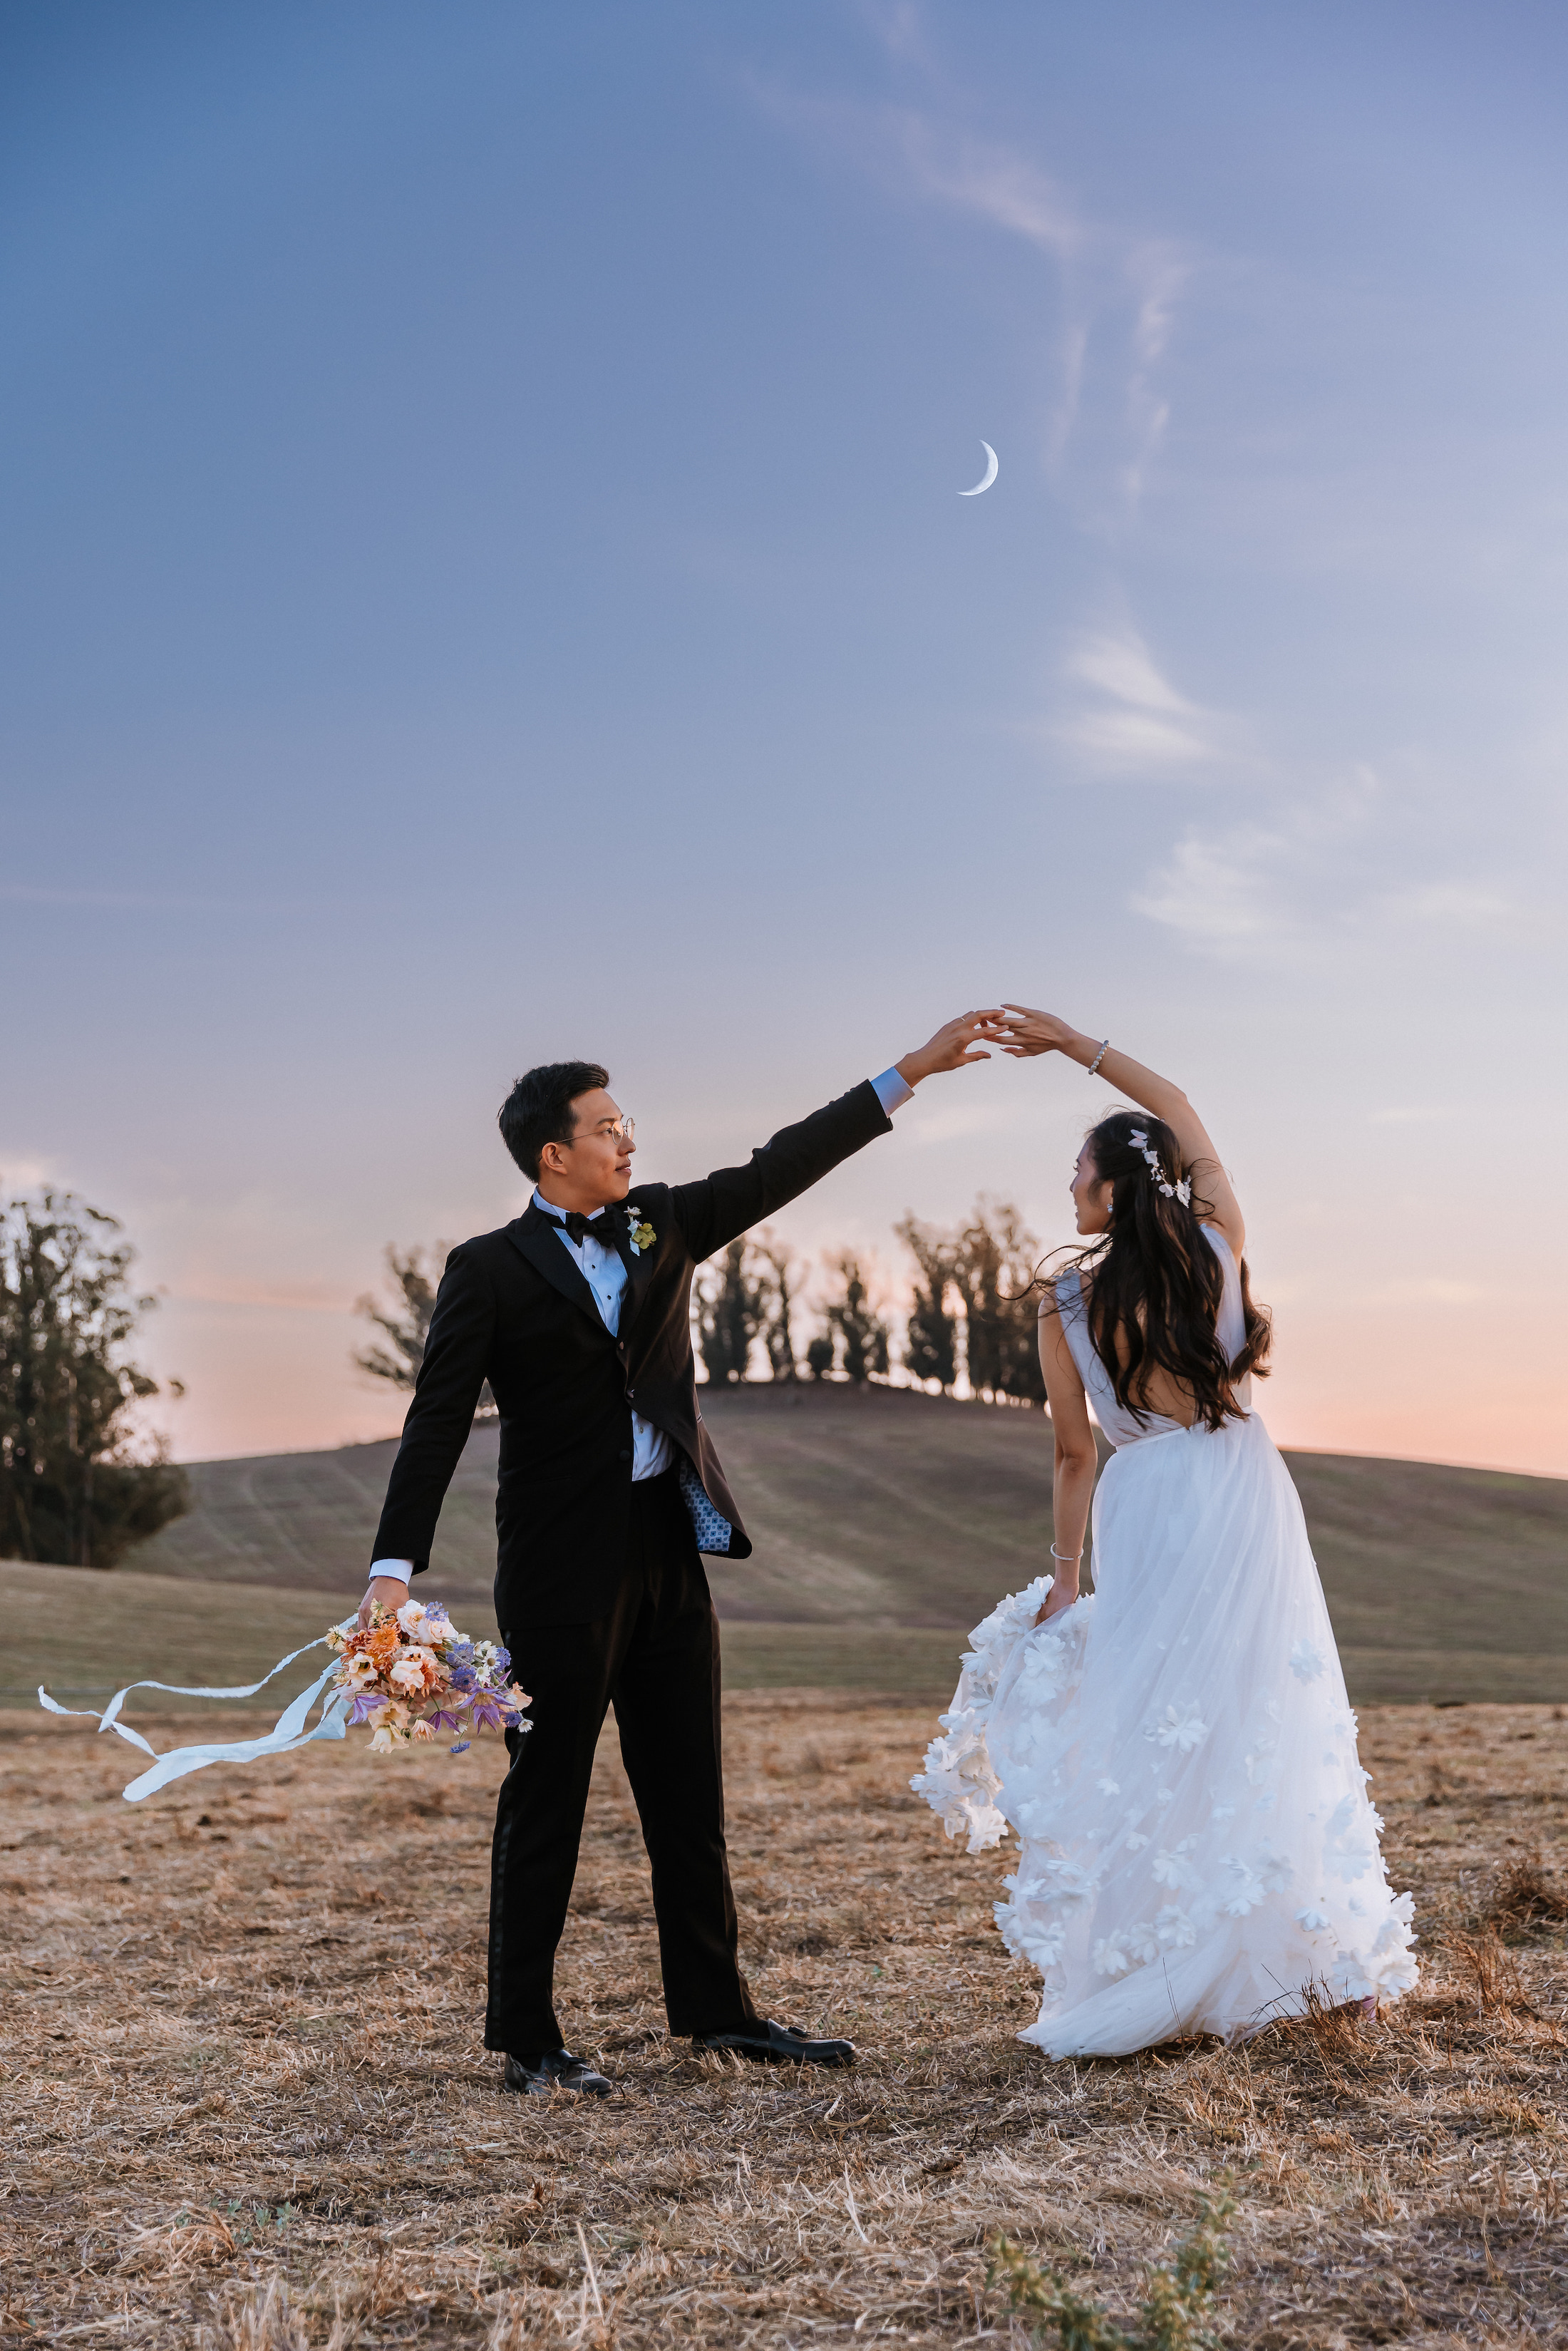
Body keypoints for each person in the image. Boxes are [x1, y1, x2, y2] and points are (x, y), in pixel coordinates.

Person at [362, 1012, 1004, 2095]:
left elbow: (780, 1166)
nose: (628, 1141)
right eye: (608, 1127)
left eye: (628, 1123)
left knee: (686, 1795)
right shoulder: (487, 1269)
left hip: (670, 1544)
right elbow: (434, 1422)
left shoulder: (662, 1223)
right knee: (547, 1794)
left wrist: (910, 1075)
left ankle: (716, 2012)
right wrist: (393, 1568)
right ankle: (527, 2037)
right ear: (552, 1153)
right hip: (561, 1570)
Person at [914, 1007, 1416, 2055]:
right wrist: (1073, 1044)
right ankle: (1302, 1955)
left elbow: (1070, 1453)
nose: (1068, 1187)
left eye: (1077, 1172)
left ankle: (1161, 1951)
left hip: (1145, 1502)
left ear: (1108, 1190)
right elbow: (1179, 1107)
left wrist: (1064, 1577)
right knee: (1262, 1701)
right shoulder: (1219, 1243)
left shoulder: (1064, 1300)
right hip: (1240, 1483)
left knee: (1157, 1714)